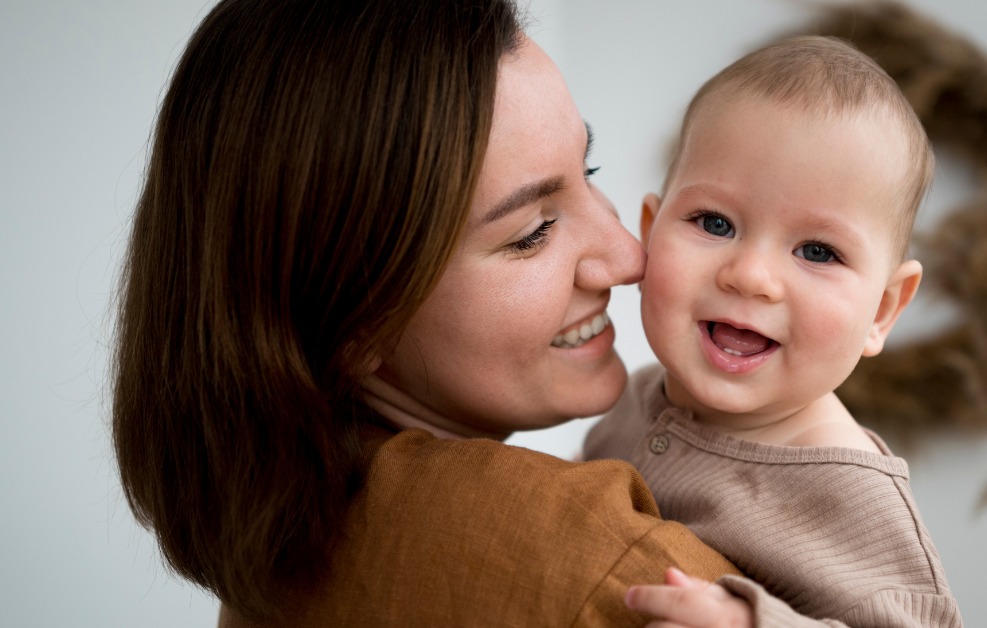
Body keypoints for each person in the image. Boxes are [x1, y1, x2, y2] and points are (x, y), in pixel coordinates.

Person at [110, 0, 813, 626]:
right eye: (532, 231)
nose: (628, 256)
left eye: (587, 174)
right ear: (356, 317)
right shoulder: (620, 569)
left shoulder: (278, 549)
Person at [585, 37, 964, 627]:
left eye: (817, 250)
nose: (753, 276)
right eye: (715, 223)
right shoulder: (634, 402)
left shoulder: (848, 495)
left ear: (883, 310)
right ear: (650, 233)